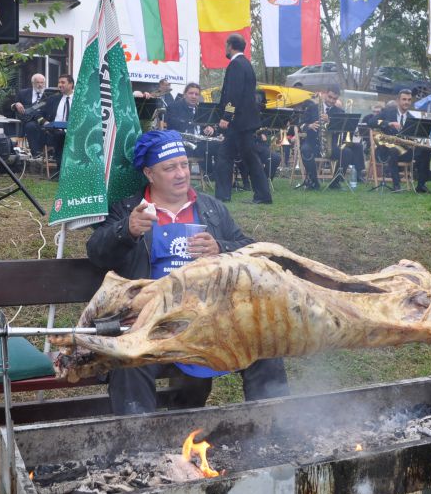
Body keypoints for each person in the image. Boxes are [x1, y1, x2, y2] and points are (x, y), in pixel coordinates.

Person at [85, 130, 290, 415]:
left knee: (264, 350)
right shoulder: (129, 210)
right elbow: (96, 252)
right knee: (129, 362)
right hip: (151, 323)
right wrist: (126, 231)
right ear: (149, 173)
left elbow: (250, 250)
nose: (181, 173)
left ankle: (273, 428)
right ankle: (136, 443)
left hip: (211, 318)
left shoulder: (210, 209)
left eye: (184, 164)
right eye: (170, 168)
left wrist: (221, 247)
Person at [214, 33, 272, 204]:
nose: (225, 48)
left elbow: (234, 93)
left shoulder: (236, 65)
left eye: (226, 45)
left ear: (230, 46)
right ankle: (225, 195)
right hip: (243, 122)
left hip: (238, 122)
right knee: (229, 155)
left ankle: (259, 195)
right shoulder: (246, 64)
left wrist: (227, 115)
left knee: (238, 157)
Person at [377, 90, 431, 193]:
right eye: (404, 99)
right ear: (398, 100)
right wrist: (389, 123)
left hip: (406, 151)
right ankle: (396, 185)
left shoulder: (412, 118)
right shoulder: (387, 112)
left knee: (426, 150)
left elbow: (414, 136)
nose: (406, 102)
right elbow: (371, 122)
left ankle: (421, 185)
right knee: (393, 150)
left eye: (409, 100)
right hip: (388, 149)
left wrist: (418, 140)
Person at [166, 82, 218, 175]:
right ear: (185, 94)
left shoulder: (203, 109)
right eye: (191, 93)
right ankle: (209, 172)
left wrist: (210, 128)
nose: (194, 96)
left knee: (220, 147)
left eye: (196, 94)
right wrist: (190, 123)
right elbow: (171, 123)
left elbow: (208, 124)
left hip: (200, 143)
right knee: (205, 149)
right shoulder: (174, 107)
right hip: (182, 144)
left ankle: (215, 174)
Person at [322, 86, 365, 189]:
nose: (332, 101)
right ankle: (336, 181)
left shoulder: (339, 112)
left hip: (335, 142)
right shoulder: (315, 107)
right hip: (322, 143)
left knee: (357, 147)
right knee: (346, 152)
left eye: (334, 99)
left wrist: (351, 126)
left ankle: (358, 173)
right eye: (330, 97)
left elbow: (345, 129)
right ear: (325, 94)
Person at [12, 73, 58, 157]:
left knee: (37, 114)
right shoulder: (23, 93)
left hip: (46, 119)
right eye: (37, 82)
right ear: (32, 83)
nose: (40, 85)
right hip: (29, 120)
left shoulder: (49, 95)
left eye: (42, 83)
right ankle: (36, 154)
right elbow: (13, 107)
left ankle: (50, 153)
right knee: (30, 126)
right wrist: (16, 104)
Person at [41, 74, 74, 171]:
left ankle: (73, 171)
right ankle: (60, 171)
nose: (60, 85)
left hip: (74, 132)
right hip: (55, 132)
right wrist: (45, 122)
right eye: (59, 82)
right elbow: (39, 114)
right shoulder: (53, 99)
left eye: (63, 82)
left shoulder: (79, 100)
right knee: (60, 136)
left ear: (71, 84)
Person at [296, 92, 324, 190]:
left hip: (327, 142)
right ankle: (314, 181)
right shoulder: (312, 108)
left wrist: (329, 121)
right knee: (305, 149)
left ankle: (335, 183)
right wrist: (309, 126)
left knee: (345, 152)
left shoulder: (336, 110)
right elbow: (300, 125)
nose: (332, 100)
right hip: (312, 141)